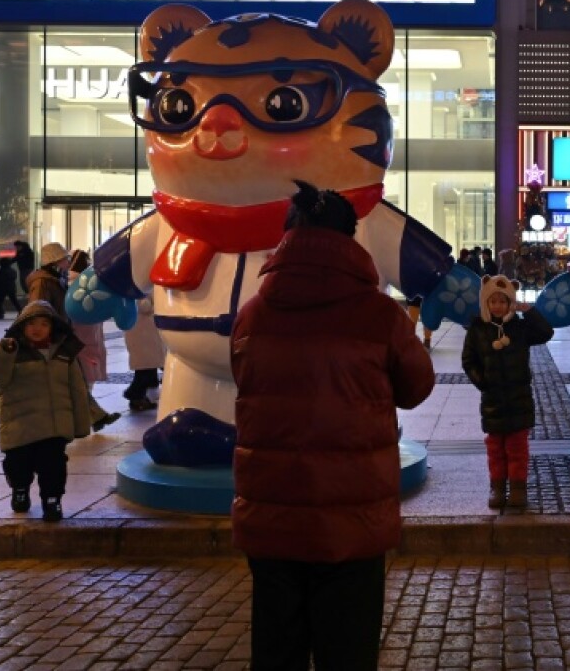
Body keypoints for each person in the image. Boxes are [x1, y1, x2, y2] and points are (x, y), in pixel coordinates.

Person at [230, 181, 435, 671]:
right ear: (350, 237)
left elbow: (246, 383)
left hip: (271, 515)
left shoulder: (252, 315)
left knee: (276, 651)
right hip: (352, 518)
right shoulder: (380, 315)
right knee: (348, 651)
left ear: (287, 237)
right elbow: (416, 388)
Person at [0, 299, 92, 522]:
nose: (37, 329)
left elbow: (77, 389)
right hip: (19, 425)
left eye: (44, 324)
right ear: (22, 326)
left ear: (52, 327)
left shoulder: (63, 352)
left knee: (53, 466)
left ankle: (52, 500)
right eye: (32, 323)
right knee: (18, 465)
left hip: (53, 426)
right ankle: (20, 489)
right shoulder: (12, 349)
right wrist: (3, 351)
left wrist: (81, 424)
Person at [461, 274, 553, 510]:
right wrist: (482, 381)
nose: (498, 306)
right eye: (493, 301)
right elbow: (468, 360)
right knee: (495, 448)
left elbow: (545, 333)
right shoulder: (478, 329)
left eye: (503, 301)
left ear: (510, 303)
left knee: (517, 447)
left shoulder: (520, 328)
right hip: (492, 401)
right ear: (486, 303)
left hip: (518, 398)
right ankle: (498, 487)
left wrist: (529, 311)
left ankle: (518, 488)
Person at [67, 250, 121, 432]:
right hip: (82, 341)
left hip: (87, 340)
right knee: (82, 383)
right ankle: (95, 417)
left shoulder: (81, 287)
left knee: (84, 382)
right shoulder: (79, 289)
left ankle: (94, 418)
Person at [122, 297, 164, 412]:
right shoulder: (138, 287)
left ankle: (141, 395)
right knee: (145, 368)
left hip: (144, 333)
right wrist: (158, 302)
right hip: (142, 334)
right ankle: (134, 395)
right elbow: (144, 306)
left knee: (148, 366)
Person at [27, 243, 70, 311]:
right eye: (65, 259)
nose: (68, 262)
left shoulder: (56, 279)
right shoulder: (41, 282)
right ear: (55, 263)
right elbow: (38, 312)